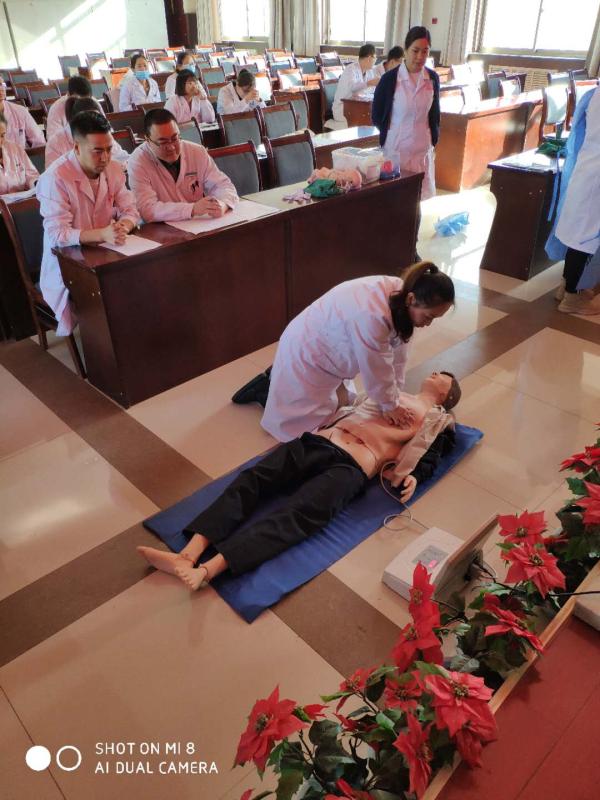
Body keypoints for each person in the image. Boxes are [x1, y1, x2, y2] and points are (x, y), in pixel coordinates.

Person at [138, 371, 461, 590]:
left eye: (442, 377)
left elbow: (433, 451)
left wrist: (415, 476)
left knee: (298, 515)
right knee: (255, 479)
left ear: (446, 395)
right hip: (323, 440)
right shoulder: (390, 389)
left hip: (353, 466)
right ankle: (188, 553)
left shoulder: (438, 420)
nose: (435, 373)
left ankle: (209, 570)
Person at [234, 262, 455, 442]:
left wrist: (394, 398)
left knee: (344, 405)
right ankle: (266, 390)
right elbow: (376, 366)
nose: (428, 324)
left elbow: (398, 357)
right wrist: (390, 404)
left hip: (332, 342)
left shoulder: (405, 295)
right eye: (429, 317)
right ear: (411, 299)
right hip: (311, 346)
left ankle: (273, 383)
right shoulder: (373, 313)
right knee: (303, 429)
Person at [37, 111, 139, 335]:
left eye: (109, 149)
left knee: (142, 276)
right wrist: (102, 234)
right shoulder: (55, 178)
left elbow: (130, 208)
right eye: (97, 151)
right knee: (114, 292)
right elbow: (57, 234)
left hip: (106, 248)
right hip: (66, 259)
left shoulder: (113, 169)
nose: (105, 158)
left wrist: (124, 226)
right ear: (76, 147)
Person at [127, 108, 238, 223]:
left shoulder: (196, 151)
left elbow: (224, 185)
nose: (171, 147)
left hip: (199, 224)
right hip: (162, 228)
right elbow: (147, 210)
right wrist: (191, 209)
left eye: (175, 138)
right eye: (163, 142)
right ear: (147, 140)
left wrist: (222, 204)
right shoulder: (137, 162)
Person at [546, 84, 600, 315]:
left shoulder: (595, 93)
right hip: (596, 177)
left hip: (586, 168)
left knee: (577, 232)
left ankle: (566, 285)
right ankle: (572, 296)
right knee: (585, 238)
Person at [372, 27, 440, 202]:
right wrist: (393, 132)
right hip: (396, 149)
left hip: (422, 149)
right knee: (396, 200)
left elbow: (434, 114)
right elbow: (377, 115)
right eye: (415, 51)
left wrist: (433, 139)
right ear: (406, 50)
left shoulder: (432, 78)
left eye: (425, 51)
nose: (420, 56)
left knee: (422, 199)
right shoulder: (389, 79)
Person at [45, 97, 129, 168]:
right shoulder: (55, 143)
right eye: (91, 122)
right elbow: (54, 177)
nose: (96, 125)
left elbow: (122, 157)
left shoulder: (100, 132)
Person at [330, 44, 380, 130]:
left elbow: (372, 90)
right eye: (375, 58)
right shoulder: (351, 69)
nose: (375, 60)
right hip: (343, 109)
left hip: (358, 107)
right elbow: (353, 88)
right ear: (369, 58)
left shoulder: (369, 71)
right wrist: (369, 83)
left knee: (375, 117)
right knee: (369, 120)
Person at [0, 112, 39, 195]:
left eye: (2, 136)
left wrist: (36, 183)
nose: (0, 141)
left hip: (23, 200)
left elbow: (32, 176)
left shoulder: (15, 148)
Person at [0, 79, 45, 148]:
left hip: (20, 154)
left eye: (2, 85)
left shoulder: (20, 111)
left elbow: (39, 141)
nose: (1, 89)